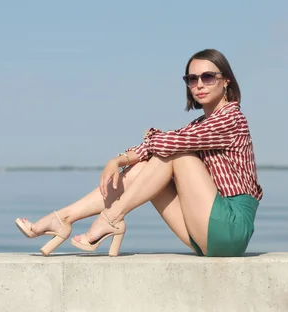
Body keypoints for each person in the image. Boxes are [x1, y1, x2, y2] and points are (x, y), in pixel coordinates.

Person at [15, 49, 263, 257]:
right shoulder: (198, 126)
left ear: (226, 80)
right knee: (147, 166)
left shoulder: (233, 118)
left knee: (177, 154)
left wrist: (148, 142)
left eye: (208, 77)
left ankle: (111, 217)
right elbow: (163, 145)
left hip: (232, 227)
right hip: (203, 234)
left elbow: (172, 143)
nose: (199, 84)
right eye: (192, 79)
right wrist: (118, 160)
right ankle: (64, 217)